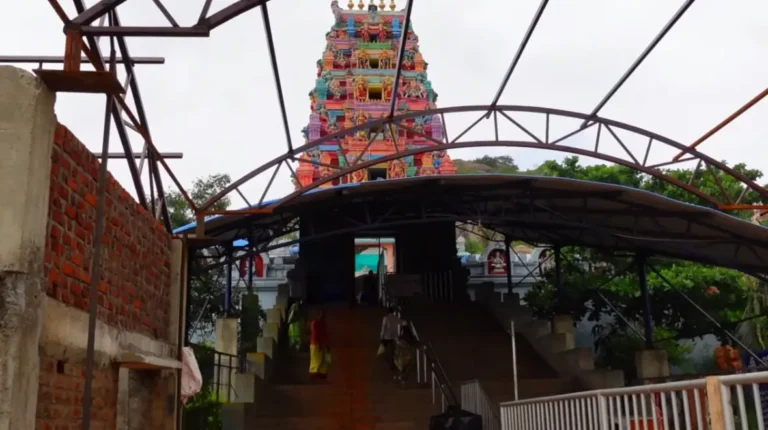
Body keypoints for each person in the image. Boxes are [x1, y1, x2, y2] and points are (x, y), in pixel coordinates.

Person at [379, 306, 403, 379]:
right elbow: (402, 323)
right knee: (394, 352)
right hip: (394, 338)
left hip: (387, 338)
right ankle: (393, 362)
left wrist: (381, 337)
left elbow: (383, 328)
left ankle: (390, 362)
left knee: (384, 352)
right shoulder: (396, 318)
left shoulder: (385, 318)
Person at [309, 309, 331, 380]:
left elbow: (325, 334)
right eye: (321, 315)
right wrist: (321, 344)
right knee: (316, 359)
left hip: (320, 343)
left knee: (323, 359)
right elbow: (316, 334)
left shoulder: (322, 323)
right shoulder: (315, 323)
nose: (322, 316)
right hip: (316, 344)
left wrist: (326, 344)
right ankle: (314, 373)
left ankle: (322, 373)